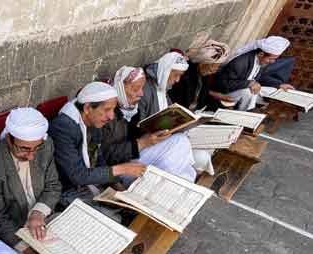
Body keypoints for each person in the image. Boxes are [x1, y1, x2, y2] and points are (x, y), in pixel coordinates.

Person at [0, 108, 62, 254]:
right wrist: (27, 250)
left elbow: (53, 186)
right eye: (24, 149)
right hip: (16, 228)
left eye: (36, 148)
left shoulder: (46, 146)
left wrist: (37, 213)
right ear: (9, 140)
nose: (32, 156)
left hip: (43, 218)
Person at [49, 81, 146, 214]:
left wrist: (118, 187)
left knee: (135, 206)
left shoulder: (94, 121)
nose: (112, 116)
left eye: (113, 109)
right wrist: (122, 169)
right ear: (88, 108)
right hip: (70, 190)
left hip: (91, 183)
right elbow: (77, 176)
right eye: (107, 110)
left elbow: (98, 158)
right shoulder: (64, 127)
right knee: (114, 219)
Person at [102, 66, 196, 182]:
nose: (141, 94)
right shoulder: (108, 116)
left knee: (187, 172)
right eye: (136, 89)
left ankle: (169, 185)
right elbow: (106, 155)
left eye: (142, 88)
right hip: (122, 169)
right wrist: (141, 143)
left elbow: (138, 133)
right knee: (180, 142)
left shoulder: (133, 109)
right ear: (120, 88)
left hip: (136, 155)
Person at [139, 52, 212, 175]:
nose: (177, 80)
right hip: (145, 146)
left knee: (190, 173)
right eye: (176, 75)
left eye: (180, 76)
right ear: (166, 71)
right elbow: (140, 127)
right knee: (181, 140)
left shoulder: (163, 88)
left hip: (162, 140)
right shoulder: (145, 90)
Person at [214, 36, 293, 111]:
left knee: (275, 91)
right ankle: (242, 114)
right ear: (261, 54)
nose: (273, 62)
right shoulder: (239, 63)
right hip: (226, 94)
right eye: (271, 59)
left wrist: (279, 85)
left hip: (246, 88)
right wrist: (249, 83)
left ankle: (259, 105)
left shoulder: (261, 61)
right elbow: (223, 84)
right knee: (248, 92)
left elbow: (261, 77)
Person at [169, 34, 232, 111]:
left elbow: (203, 94)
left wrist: (218, 99)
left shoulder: (204, 74)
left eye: (218, 66)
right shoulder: (185, 75)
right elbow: (177, 101)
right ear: (202, 63)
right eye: (213, 66)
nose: (215, 69)